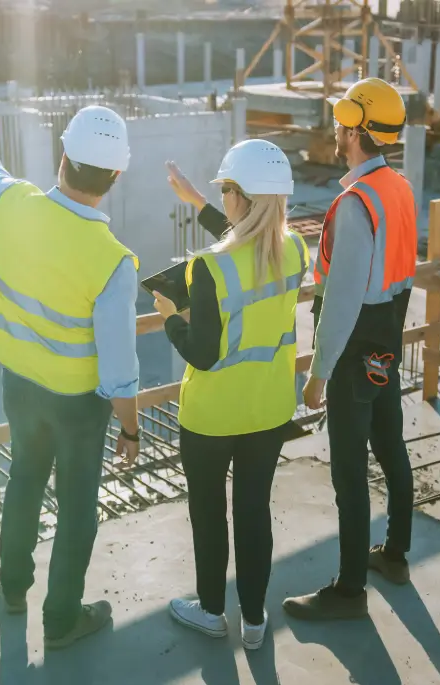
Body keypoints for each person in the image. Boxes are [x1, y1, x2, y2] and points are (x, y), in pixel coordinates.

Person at [0, 98, 143, 649]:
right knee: (78, 507)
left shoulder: (15, 203)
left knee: (24, 482)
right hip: (78, 407)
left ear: (62, 156)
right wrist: (129, 429)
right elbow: (120, 369)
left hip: (19, 387)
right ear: (116, 175)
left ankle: (12, 589)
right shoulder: (112, 260)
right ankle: (60, 621)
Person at [153, 140, 308, 650]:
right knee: (253, 511)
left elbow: (200, 352)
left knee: (208, 514)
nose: (224, 198)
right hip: (268, 410)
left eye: (225, 191)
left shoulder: (207, 269)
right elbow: (249, 242)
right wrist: (198, 200)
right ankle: (256, 622)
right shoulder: (295, 251)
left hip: (211, 418)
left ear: (240, 196)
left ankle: (213, 611)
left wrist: (170, 318)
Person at [281, 78, 418, 621]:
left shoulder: (355, 205)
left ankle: (350, 590)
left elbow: (341, 302)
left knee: (348, 471)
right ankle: (397, 555)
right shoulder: (399, 189)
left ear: (357, 130)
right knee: (390, 445)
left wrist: (319, 372)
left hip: (356, 346)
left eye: (342, 122)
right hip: (387, 342)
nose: (336, 129)